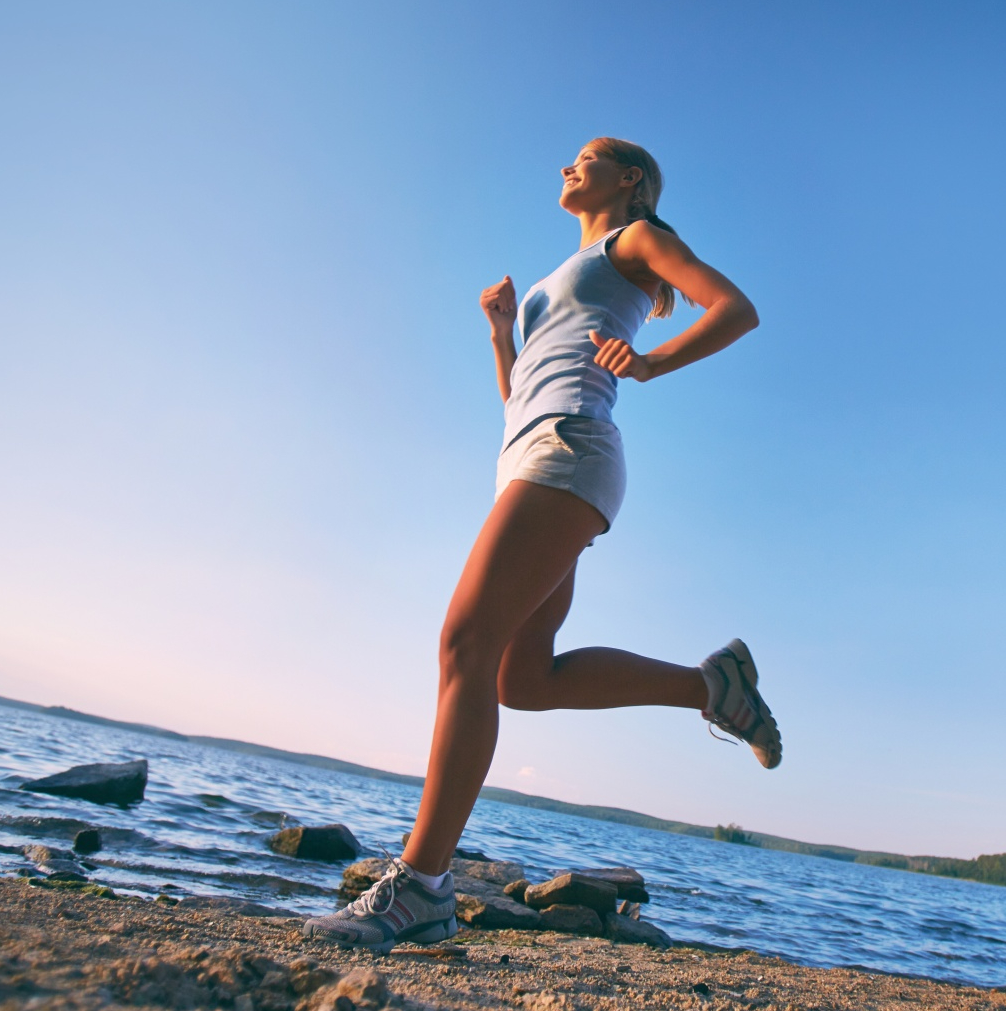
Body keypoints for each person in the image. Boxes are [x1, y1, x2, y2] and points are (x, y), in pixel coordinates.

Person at [305, 138, 782, 950]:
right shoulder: (561, 280)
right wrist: (501, 334)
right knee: (520, 677)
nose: (569, 166)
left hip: (570, 450)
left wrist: (653, 363)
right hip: (533, 454)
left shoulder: (633, 241)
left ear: (629, 179)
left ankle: (421, 886)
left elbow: (735, 308)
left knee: (464, 642)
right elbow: (518, 394)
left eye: (587, 157)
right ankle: (713, 688)